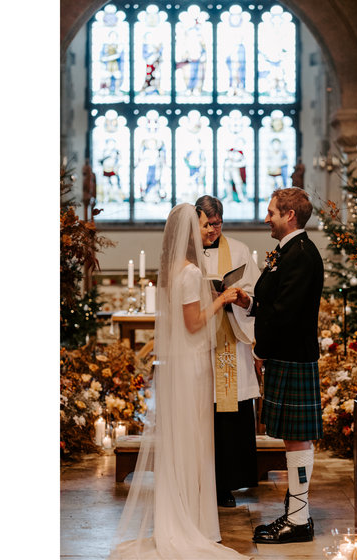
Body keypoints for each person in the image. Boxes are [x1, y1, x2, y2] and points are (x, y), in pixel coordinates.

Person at [109, 204, 247, 560]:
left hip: (184, 364)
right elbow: (193, 323)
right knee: (193, 441)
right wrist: (222, 298)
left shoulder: (173, 270)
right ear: (188, 232)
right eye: (201, 228)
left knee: (187, 440)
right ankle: (191, 522)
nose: (207, 233)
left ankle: (189, 516)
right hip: (191, 367)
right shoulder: (187, 273)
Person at [230, 187, 324, 544]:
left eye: (271, 212)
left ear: (290, 216)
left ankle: (299, 521)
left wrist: (260, 350)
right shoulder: (288, 252)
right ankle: (296, 515)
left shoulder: (301, 254)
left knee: (297, 439)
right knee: (292, 438)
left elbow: (285, 314)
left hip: (292, 354)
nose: (266, 217)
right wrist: (249, 301)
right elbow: (273, 302)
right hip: (286, 354)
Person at [195, 195, 261, 509]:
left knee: (230, 415)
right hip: (198, 342)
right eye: (208, 225)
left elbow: (255, 295)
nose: (213, 230)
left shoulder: (238, 250)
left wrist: (240, 298)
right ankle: (199, 480)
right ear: (196, 223)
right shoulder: (188, 253)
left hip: (230, 340)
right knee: (202, 413)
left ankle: (227, 483)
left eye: (217, 223)